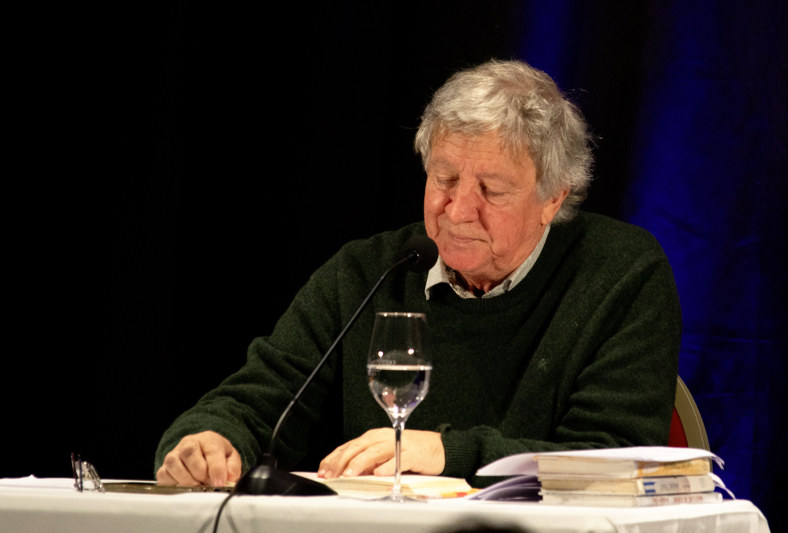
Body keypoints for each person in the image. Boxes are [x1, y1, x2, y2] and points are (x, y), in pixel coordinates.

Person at [155, 59, 681, 488]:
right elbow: (260, 400)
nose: (458, 211)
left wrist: (447, 452)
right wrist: (210, 439)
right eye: (444, 179)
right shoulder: (368, 271)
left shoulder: (621, 273)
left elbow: (613, 459)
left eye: (492, 190)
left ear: (553, 199)